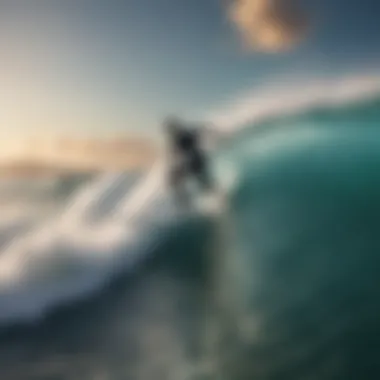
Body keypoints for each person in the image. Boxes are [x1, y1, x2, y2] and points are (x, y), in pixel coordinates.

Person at [164, 116, 215, 204]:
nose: (171, 132)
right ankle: (185, 201)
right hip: (192, 162)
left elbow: (198, 133)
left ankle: (212, 195)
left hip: (196, 161)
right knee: (174, 180)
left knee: (203, 182)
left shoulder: (184, 134)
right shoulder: (177, 138)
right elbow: (174, 154)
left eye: (171, 129)